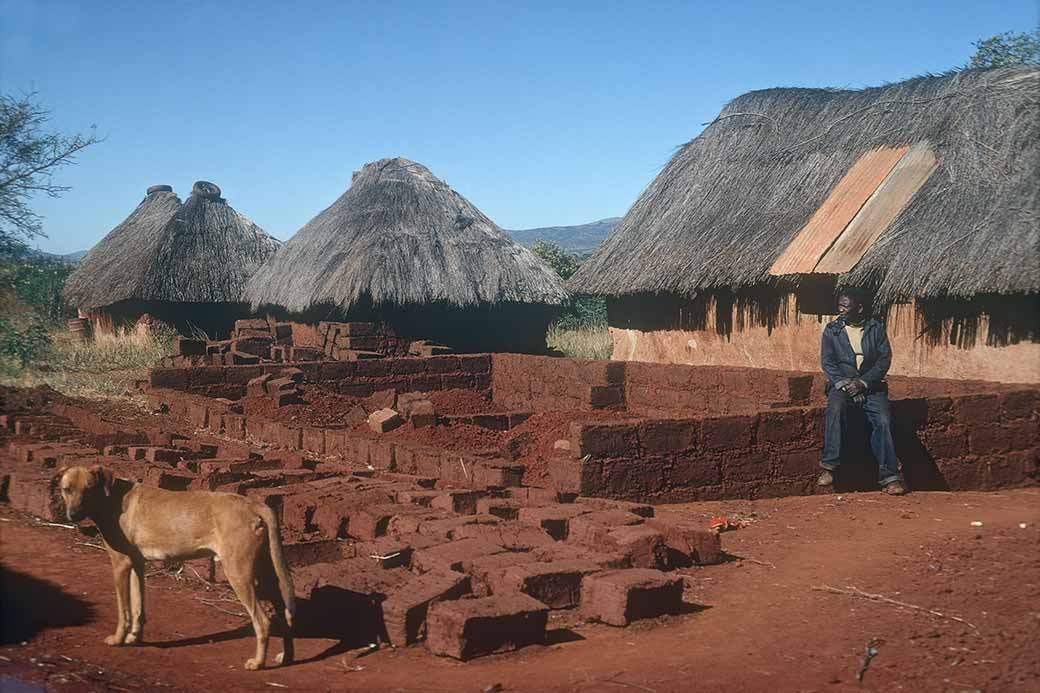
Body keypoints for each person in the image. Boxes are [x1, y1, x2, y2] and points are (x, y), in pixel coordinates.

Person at [818, 288, 907, 495]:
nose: (841, 310)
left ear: (859, 308)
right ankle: (829, 467)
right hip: (842, 386)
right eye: (839, 306)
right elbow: (828, 362)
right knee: (836, 409)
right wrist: (846, 384)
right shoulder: (832, 330)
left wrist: (863, 383)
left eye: (845, 306)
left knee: (883, 421)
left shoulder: (875, 328)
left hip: (871, 387)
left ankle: (890, 478)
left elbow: (883, 360)